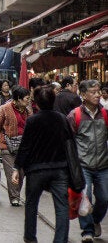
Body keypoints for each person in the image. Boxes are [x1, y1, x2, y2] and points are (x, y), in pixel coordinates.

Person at [12, 85, 70, 243]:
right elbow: (70, 144)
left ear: (36, 103)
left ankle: (30, 238)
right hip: (59, 169)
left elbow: (25, 146)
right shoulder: (62, 119)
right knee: (62, 207)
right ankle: (60, 240)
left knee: (31, 205)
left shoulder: (32, 120)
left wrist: (17, 167)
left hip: (36, 170)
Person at [66, 79, 108, 242]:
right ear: (83, 95)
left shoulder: (104, 114)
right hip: (83, 165)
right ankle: (87, 230)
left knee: (104, 198)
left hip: (103, 165)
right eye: (93, 92)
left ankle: (95, 220)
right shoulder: (74, 115)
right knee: (85, 197)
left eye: (98, 91)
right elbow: (68, 142)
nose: (98, 94)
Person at [0, 85, 32, 206]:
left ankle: (16, 193)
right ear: (18, 99)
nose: (28, 101)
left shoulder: (28, 111)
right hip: (7, 146)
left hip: (23, 148)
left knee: (21, 173)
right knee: (11, 172)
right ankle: (15, 197)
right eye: (26, 98)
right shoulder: (4, 109)